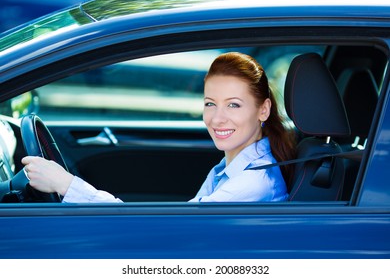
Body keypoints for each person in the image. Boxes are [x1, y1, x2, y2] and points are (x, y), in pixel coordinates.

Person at [21, 52, 296, 203]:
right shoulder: (231, 169)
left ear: (264, 109)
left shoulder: (251, 185)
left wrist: (66, 185)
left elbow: (163, 234)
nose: (217, 118)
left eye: (233, 105)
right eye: (210, 104)